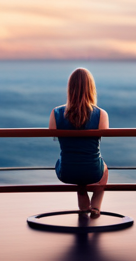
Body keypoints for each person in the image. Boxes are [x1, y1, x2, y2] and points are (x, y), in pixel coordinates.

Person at [49, 67, 109, 218]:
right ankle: (95, 206)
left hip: (67, 172)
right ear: (91, 89)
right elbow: (104, 135)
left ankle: (82, 195)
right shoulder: (101, 114)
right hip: (92, 171)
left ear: (70, 89)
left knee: (72, 161)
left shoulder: (56, 113)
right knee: (104, 169)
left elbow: (52, 134)